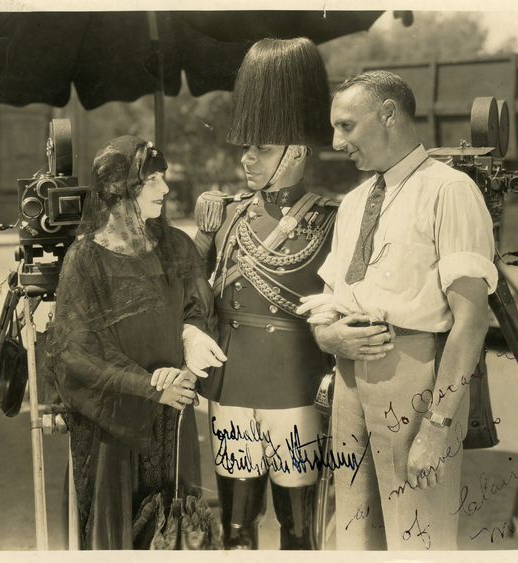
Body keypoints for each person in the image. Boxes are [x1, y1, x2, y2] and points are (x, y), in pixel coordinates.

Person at [298, 70, 498, 550]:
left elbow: (471, 321)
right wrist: (327, 336)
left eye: (346, 126)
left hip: (416, 380)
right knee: (350, 534)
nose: (336, 141)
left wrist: (436, 426)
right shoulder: (353, 202)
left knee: (418, 538)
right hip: (349, 380)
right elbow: (331, 295)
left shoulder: (449, 191)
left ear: (388, 114)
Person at [192, 37, 337, 550]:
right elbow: (193, 294)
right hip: (232, 387)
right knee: (235, 525)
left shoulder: (331, 219)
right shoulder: (223, 213)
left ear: (297, 150)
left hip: (295, 386)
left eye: (264, 148)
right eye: (248, 146)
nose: (248, 158)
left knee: (299, 529)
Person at [44, 136, 224, 549]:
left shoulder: (174, 245)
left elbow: (196, 307)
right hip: (115, 423)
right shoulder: (85, 259)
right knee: (121, 534)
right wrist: (148, 385)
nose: (165, 189)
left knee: (177, 533)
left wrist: (190, 342)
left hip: (171, 414)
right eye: (154, 180)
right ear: (122, 190)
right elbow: (77, 349)